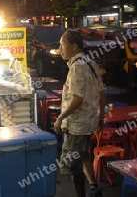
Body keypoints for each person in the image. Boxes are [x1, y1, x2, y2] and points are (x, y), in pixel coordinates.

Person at [53, 29, 106, 197]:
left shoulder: (76, 67)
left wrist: (60, 118)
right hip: (89, 122)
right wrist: (100, 117)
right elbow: (102, 93)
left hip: (77, 126)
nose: (60, 49)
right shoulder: (91, 62)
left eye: (62, 45)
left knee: (72, 167)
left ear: (74, 46)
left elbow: (77, 100)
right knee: (83, 154)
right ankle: (94, 186)